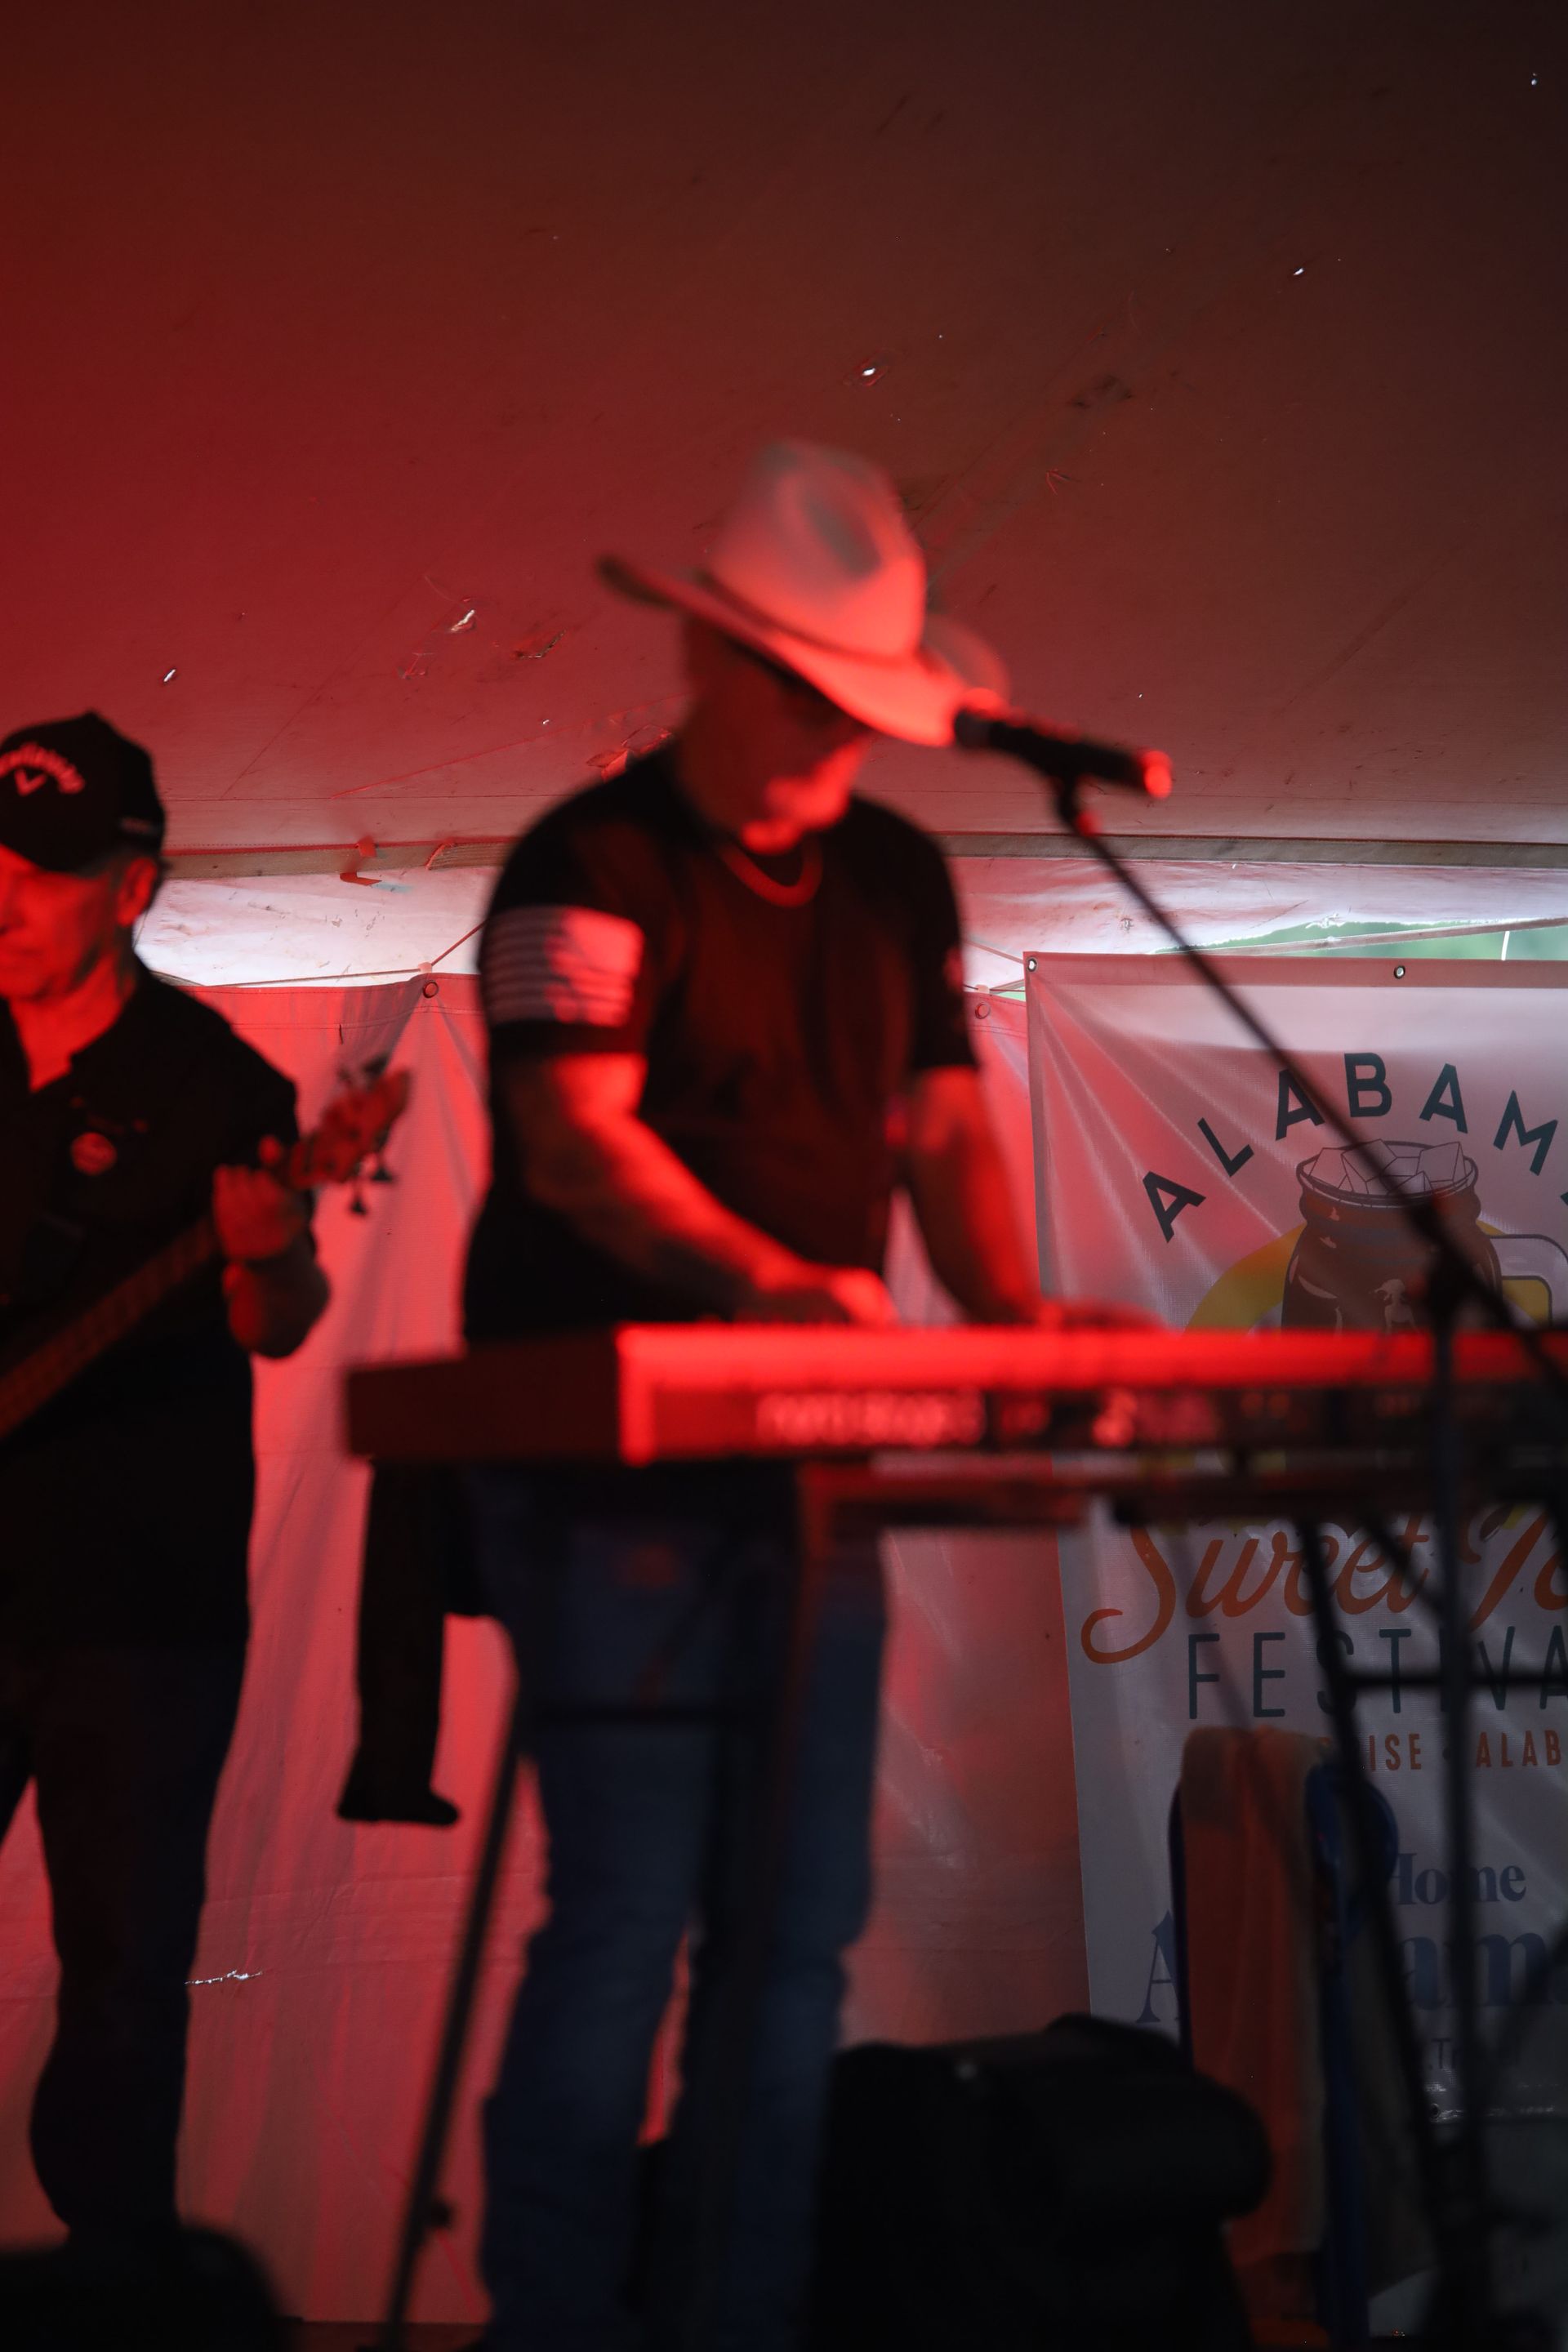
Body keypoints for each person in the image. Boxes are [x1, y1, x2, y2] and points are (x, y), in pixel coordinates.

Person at [461, 440, 1098, 2352]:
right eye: (814, 697)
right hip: (609, 1451)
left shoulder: (895, 875)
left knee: (796, 1931)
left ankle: (734, 2320)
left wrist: (1008, 1311)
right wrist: (777, 1287)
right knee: (630, 1916)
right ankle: (562, 2328)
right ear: (711, 667)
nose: (841, 740)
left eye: (863, 707)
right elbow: (574, 1148)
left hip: (801, 1458)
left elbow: (945, 1131)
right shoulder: (586, 861)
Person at [0, 715, 328, 2283]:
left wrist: (265, 1249)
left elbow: (280, 1322)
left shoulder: (220, 1086)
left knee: (125, 1978)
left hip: (140, 1610)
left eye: (43, 874)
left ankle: (119, 2289)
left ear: (130, 890)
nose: (3, 897)